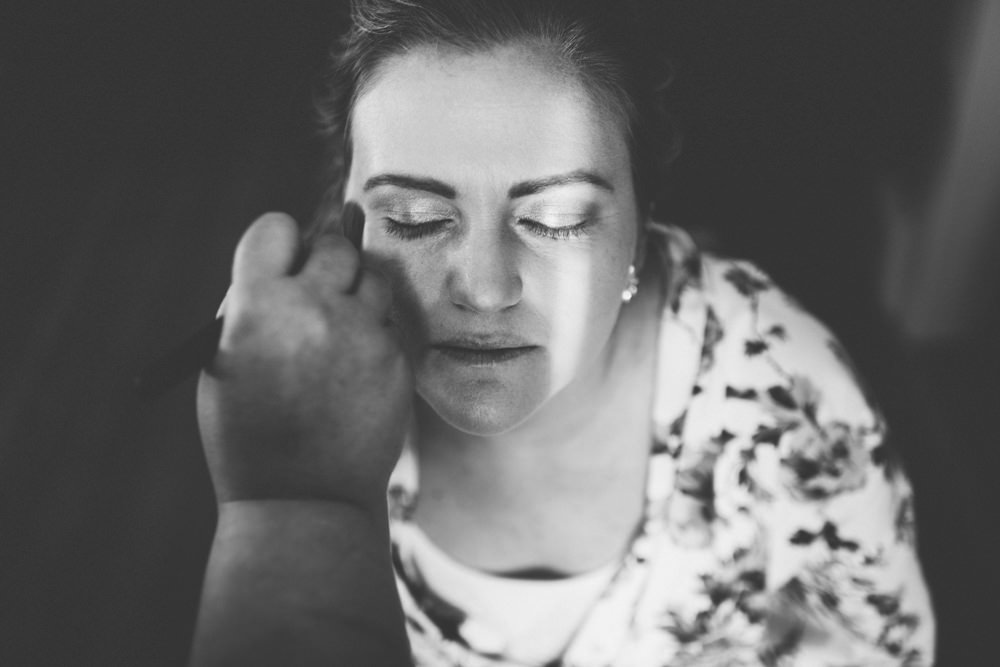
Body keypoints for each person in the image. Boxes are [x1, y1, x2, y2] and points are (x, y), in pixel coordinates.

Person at [190, 1, 936, 664]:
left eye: (557, 221)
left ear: (642, 227)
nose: (484, 288)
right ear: (343, 224)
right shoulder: (287, 403)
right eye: (415, 220)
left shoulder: (787, 398)